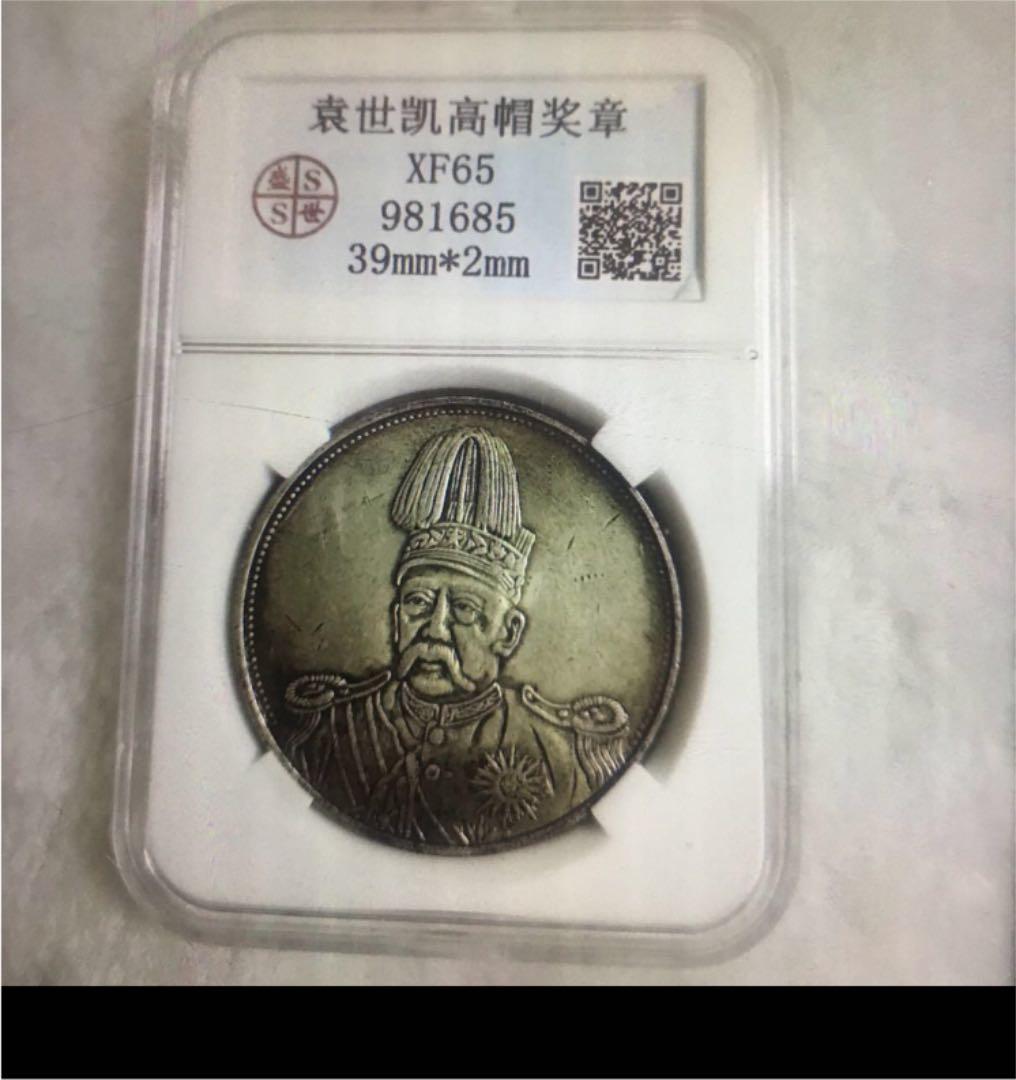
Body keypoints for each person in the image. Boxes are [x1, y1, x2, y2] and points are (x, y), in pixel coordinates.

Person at [283, 425, 630, 849]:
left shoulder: (557, 749)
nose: (434, 629)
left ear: (508, 633)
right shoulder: (329, 732)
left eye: (465, 609)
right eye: (418, 603)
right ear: (396, 618)